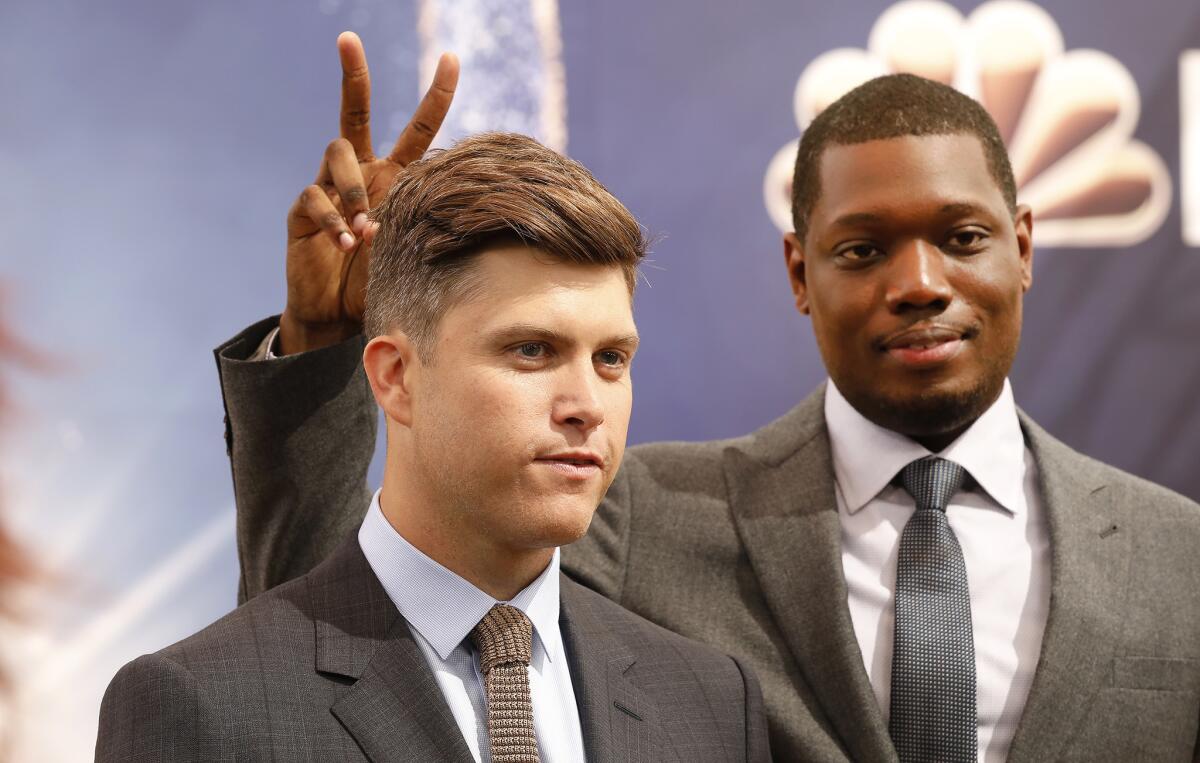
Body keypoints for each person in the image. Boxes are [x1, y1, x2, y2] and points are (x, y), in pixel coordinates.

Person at [218, 38, 1200, 763]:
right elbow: (322, 652)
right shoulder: (645, 515)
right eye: (862, 249)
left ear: (1023, 248)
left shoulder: (1178, 554)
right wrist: (328, 344)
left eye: (962, 237)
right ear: (799, 270)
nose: (918, 282)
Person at [96, 46, 769, 761]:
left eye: (611, 358)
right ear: (393, 377)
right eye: (531, 350)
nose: (585, 405)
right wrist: (318, 338)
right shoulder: (197, 704)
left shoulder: (714, 704)